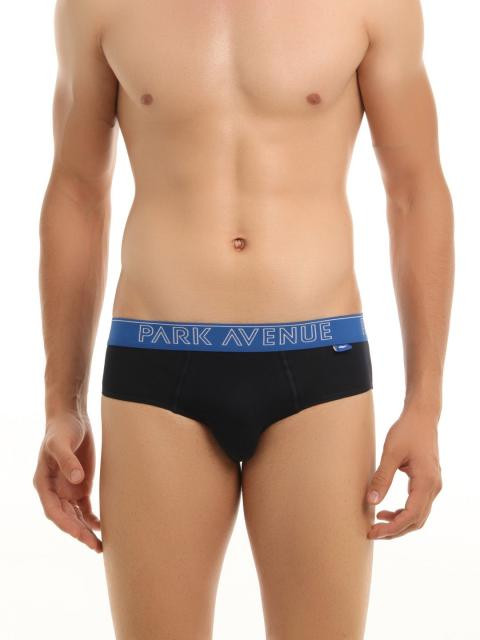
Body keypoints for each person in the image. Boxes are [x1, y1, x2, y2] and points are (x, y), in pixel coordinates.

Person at [33, 0, 454, 637]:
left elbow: (416, 191)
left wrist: (425, 404)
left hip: (319, 366)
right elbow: (75, 191)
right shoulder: (98, 6)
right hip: (155, 365)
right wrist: (61, 403)